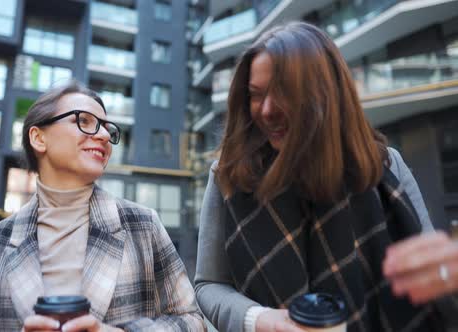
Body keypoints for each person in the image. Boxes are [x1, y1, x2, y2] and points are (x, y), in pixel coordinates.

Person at [195, 21, 456, 332]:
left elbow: (432, 278)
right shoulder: (229, 174)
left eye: (283, 93)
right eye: (255, 95)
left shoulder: (384, 166)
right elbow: (208, 285)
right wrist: (259, 320)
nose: (266, 110)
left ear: (325, 92)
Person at [0, 81, 205, 332]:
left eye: (108, 129)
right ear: (38, 138)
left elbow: (192, 321)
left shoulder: (143, 225)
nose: (105, 136)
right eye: (83, 121)